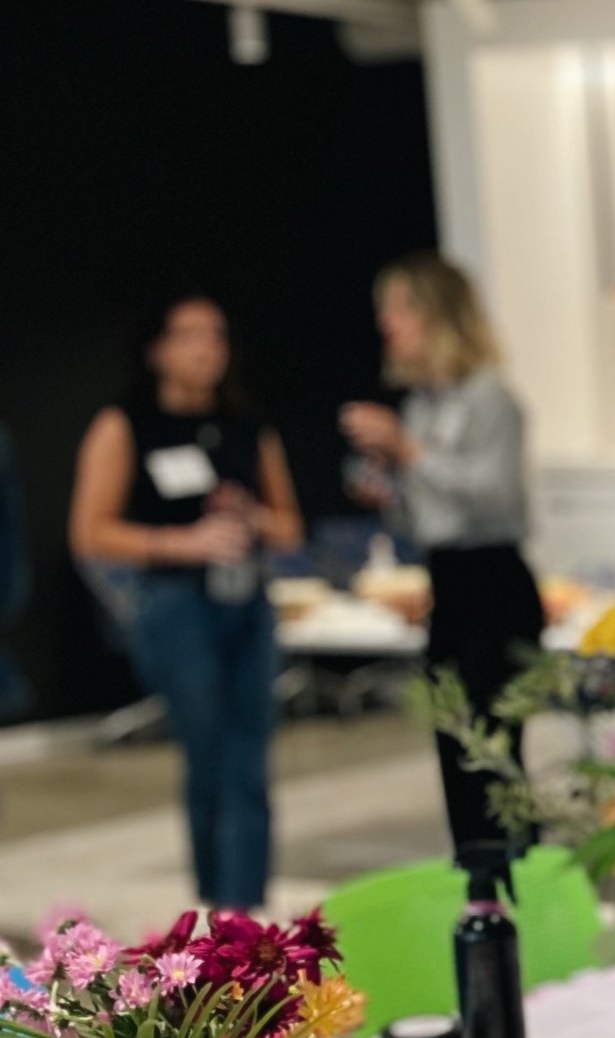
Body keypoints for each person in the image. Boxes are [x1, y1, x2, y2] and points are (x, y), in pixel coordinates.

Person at [68, 299, 302, 907]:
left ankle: (246, 910)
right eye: (190, 336)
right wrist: (180, 542)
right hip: (175, 604)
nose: (207, 349)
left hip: (246, 600)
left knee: (250, 754)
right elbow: (91, 532)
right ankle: (217, 907)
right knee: (210, 753)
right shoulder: (126, 424)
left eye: (217, 336)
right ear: (157, 349)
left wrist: (250, 517)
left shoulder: (247, 427)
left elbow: (289, 528)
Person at [344, 254, 544, 856]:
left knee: (492, 746)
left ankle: (522, 878)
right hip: (448, 581)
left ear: (437, 316)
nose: (387, 323)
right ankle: (477, 883)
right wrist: (389, 487)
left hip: (496, 579)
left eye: (400, 308)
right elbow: (426, 518)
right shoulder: (425, 403)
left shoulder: (490, 398)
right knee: (452, 742)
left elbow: (496, 493)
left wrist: (408, 452)